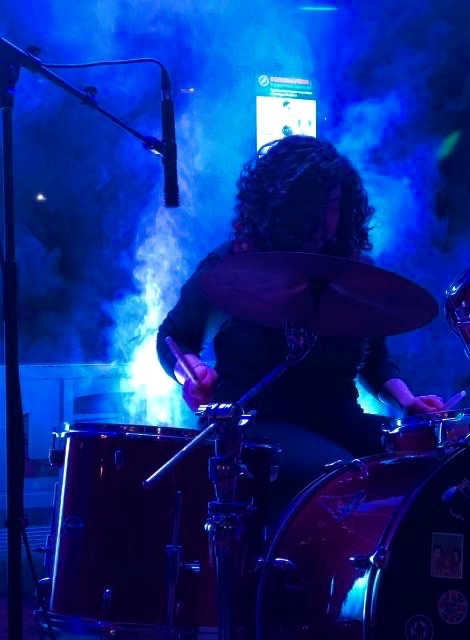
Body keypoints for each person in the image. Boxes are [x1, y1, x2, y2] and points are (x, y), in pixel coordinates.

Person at [156, 134, 444, 523]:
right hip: (257, 426)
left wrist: (408, 402)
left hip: (339, 419)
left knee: (429, 467)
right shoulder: (234, 266)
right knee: (341, 480)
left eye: (333, 207)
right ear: (281, 206)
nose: (325, 222)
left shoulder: (354, 273)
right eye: (312, 208)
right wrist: (191, 372)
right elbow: (174, 337)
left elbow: (376, 362)